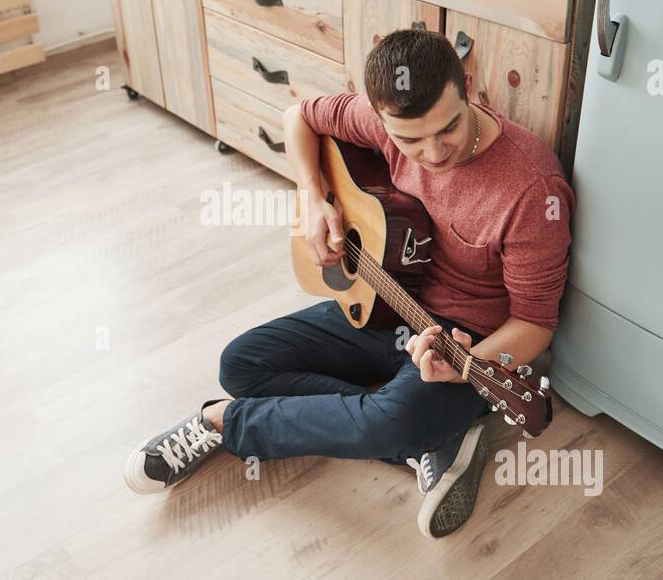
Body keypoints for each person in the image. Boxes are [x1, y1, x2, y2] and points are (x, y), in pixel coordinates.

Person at [124, 29, 576, 538]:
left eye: (448, 128)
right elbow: (299, 115)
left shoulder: (533, 190)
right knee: (241, 364)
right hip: (382, 300)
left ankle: (223, 424)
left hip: (463, 340)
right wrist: (313, 196)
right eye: (409, 139)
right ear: (380, 116)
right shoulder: (379, 119)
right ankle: (431, 437)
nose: (432, 153)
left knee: (390, 419)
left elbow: (536, 324)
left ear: (467, 85)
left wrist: (465, 369)